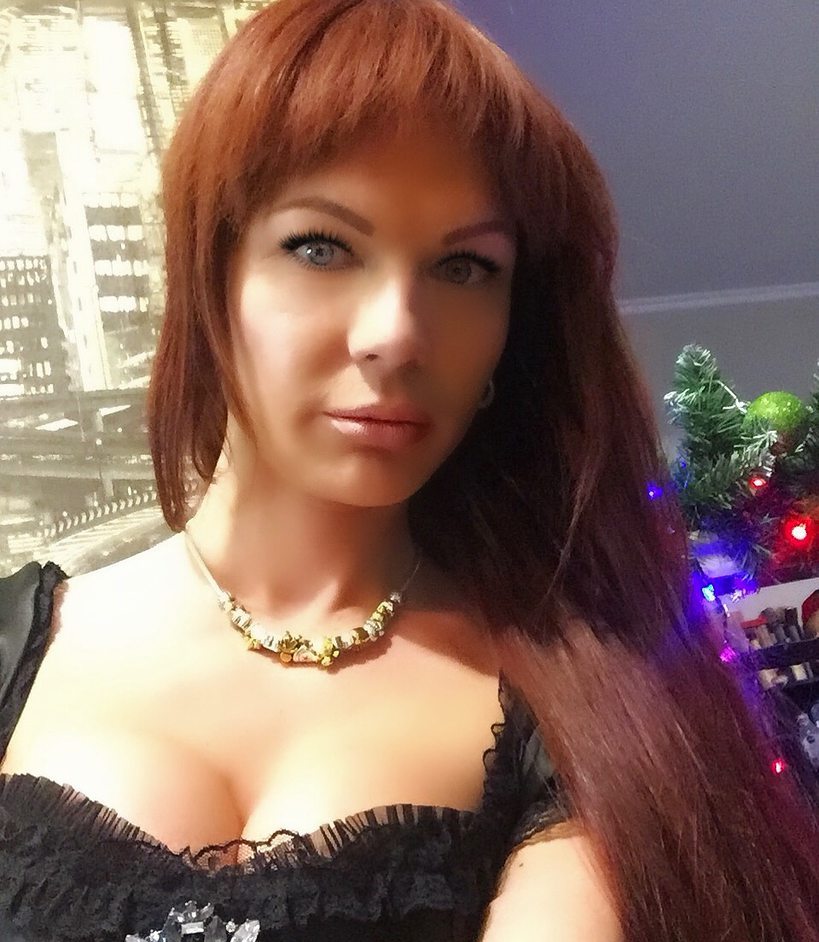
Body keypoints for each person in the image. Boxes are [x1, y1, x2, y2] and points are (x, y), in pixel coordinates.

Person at [0, 0, 817, 939]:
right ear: (211, 276)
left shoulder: (586, 696)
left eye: (465, 268)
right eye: (320, 247)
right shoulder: (21, 643)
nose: (395, 334)